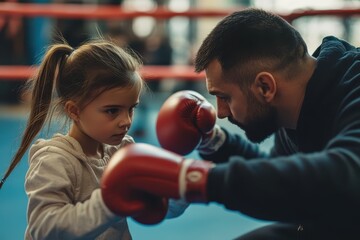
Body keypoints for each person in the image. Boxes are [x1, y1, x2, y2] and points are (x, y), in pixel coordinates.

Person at [98, 8, 360, 240]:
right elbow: (278, 177)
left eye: (224, 97)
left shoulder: (354, 88)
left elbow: (345, 174)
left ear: (265, 86)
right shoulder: (294, 101)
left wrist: (192, 179)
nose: (220, 112)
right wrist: (215, 142)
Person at [0, 38, 183, 239]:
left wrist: (181, 183)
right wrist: (108, 203)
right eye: (112, 111)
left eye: (131, 109)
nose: (126, 121)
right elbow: (44, 228)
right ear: (74, 110)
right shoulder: (55, 161)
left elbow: (161, 207)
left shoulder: (123, 151)